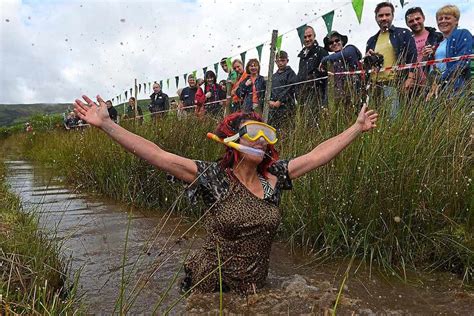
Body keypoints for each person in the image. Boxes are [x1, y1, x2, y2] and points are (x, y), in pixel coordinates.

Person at [73, 94, 378, 294]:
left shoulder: (275, 176)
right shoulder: (214, 177)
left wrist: (356, 128)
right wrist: (107, 125)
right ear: (233, 141)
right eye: (252, 133)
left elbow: (316, 155)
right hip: (210, 287)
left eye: (266, 134)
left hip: (255, 289)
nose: (261, 140)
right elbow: (158, 155)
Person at [366, 2, 417, 117]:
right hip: (375, 85)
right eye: (380, 15)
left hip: (394, 84)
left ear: (392, 16)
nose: (384, 18)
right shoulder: (371, 40)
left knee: (394, 119)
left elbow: (412, 56)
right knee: (378, 121)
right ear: (376, 18)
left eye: (387, 15)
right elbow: (367, 65)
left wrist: (410, 77)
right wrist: (368, 58)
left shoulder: (403, 33)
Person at [426, 5, 472, 96]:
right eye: (440, 19)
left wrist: (441, 79)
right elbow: (431, 68)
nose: (443, 21)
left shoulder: (462, 34)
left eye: (447, 18)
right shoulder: (438, 43)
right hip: (436, 89)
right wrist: (428, 56)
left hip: (455, 88)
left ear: (456, 20)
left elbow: (463, 61)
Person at [320, 31, 362, 107]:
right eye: (331, 42)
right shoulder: (330, 63)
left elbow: (345, 54)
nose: (334, 43)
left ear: (342, 41)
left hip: (354, 95)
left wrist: (324, 60)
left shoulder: (351, 49)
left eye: (337, 40)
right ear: (329, 47)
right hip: (337, 99)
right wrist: (325, 103)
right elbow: (329, 85)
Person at [404, 7, 443, 85]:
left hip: (434, 83)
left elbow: (446, 57)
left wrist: (434, 52)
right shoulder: (405, 41)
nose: (415, 22)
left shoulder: (438, 37)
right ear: (407, 24)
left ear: (423, 18)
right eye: (411, 21)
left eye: (418, 19)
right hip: (412, 86)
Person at [296, 26, 329, 106]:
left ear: (314, 36)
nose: (307, 39)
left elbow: (327, 77)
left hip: (317, 97)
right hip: (303, 99)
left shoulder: (322, 52)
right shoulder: (302, 56)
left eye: (309, 36)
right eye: (305, 37)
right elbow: (300, 76)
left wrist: (325, 101)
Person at [268, 50, 298, 129]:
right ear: (275, 62)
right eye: (278, 61)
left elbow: (290, 88)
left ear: (287, 61)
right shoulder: (273, 76)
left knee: (287, 128)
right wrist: (270, 101)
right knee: (274, 129)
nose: (280, 63)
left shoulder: (291, 73)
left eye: (282, 60)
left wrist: (280, 101)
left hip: (287, 107)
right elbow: (269, 90)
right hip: (274, 109)